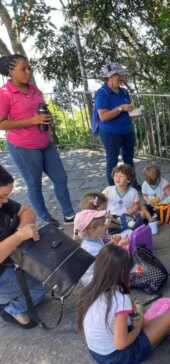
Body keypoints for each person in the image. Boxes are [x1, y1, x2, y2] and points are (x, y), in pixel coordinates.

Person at [0, 54, 75, 227]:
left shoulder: (34, 90)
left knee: (61, 177)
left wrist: (47, 119)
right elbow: (1, 123)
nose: (28, 71)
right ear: (11, 72)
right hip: (23, 147)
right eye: (23, 69)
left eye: (29, 67)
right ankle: (45, 218)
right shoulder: (5, 93)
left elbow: (40, 113)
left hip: (45, 143)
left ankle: (69, 214)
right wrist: (33, 121)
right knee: (34, 184)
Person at [77, 244, 170, 364]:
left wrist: (135, 316)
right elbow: (121, 344)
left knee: (140, 317)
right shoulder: (120, 299)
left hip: (95, 352)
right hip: (117, 358)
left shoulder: (91, 287)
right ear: (123, 273)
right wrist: (138, 327)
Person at [0, 165, 45, 329]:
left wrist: (22, 229)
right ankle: (11, 309)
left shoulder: (2, 202)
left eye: (7, 196)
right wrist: (18, 237)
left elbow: (27, 212)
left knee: (46, 271)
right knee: (41, 287)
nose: (5, 201)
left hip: (10, 260)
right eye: (2, 196)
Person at [95, 62, 137, 186]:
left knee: (129, 160)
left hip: (127, 130)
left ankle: (132, 184)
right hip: (110, 133)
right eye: (119, 76)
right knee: (112, 162)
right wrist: (120, 108)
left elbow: (126, 109)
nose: (122, 79)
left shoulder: (124, 92)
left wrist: (132, 111)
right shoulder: (102, 93)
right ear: (110, 77)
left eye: (121, 76)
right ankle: (113, 188)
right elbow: (103, 116)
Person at [73, 209, 128, 285]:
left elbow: (103, 249)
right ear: (92, 230)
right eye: (102, 224)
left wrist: (112, 242)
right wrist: (119, 245)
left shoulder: (94, 239)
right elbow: (106, 257)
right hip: (95, 280)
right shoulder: (90, 248)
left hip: (99, 271)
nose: (105, 226)